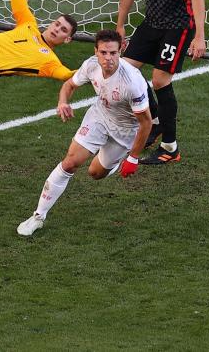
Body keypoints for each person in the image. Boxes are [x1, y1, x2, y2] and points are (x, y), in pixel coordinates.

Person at [17, 30, 152, 236]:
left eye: (113, 53)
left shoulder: (132, 82)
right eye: (104, 53)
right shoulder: (91, 65)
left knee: (95, 174)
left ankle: (112, 162)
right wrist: (63, 102)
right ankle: (38, 216)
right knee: (70, 162)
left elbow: (146, 123)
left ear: (121, 50)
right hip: (99, 116)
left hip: (124, 130)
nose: (108, 58)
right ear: (96, 51)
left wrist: (133, 158)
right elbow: (69, 85)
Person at [116, 0, 206, 164]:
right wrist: (121, 25)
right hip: (152, 22)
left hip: (179, 25)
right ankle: (154, 121)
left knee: (159, 80)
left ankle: (170, 147)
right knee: (126, 70)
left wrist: (199, 36)